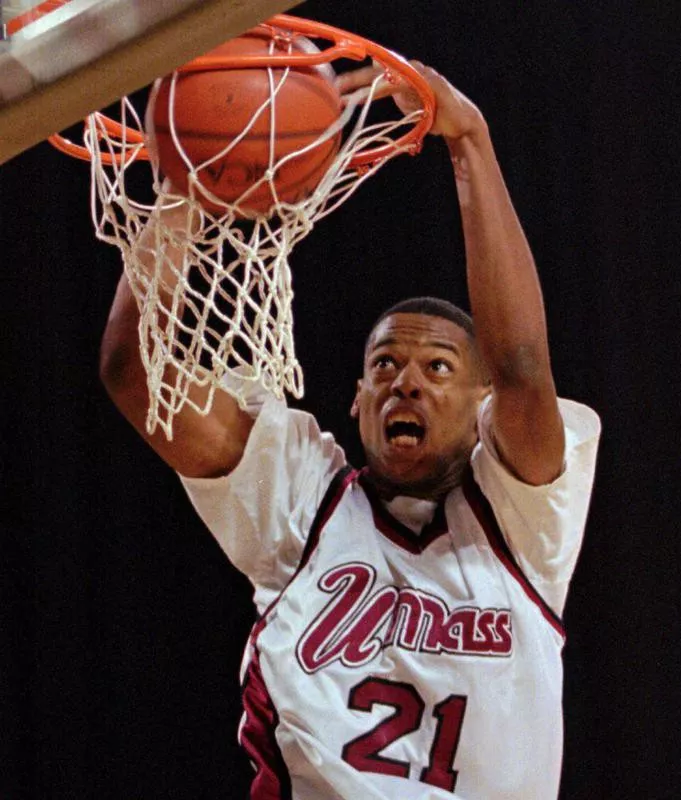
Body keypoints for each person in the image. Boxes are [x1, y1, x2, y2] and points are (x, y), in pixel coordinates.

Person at [100, 61, 601, 800]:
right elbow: (138, 377)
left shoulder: (524, 521)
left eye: (437, 367)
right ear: (358, 397)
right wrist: (187, 186)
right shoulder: (303, 503)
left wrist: (471, 141)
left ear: (481, 405)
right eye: (385, 364)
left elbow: (524, 366)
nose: (405, 380)